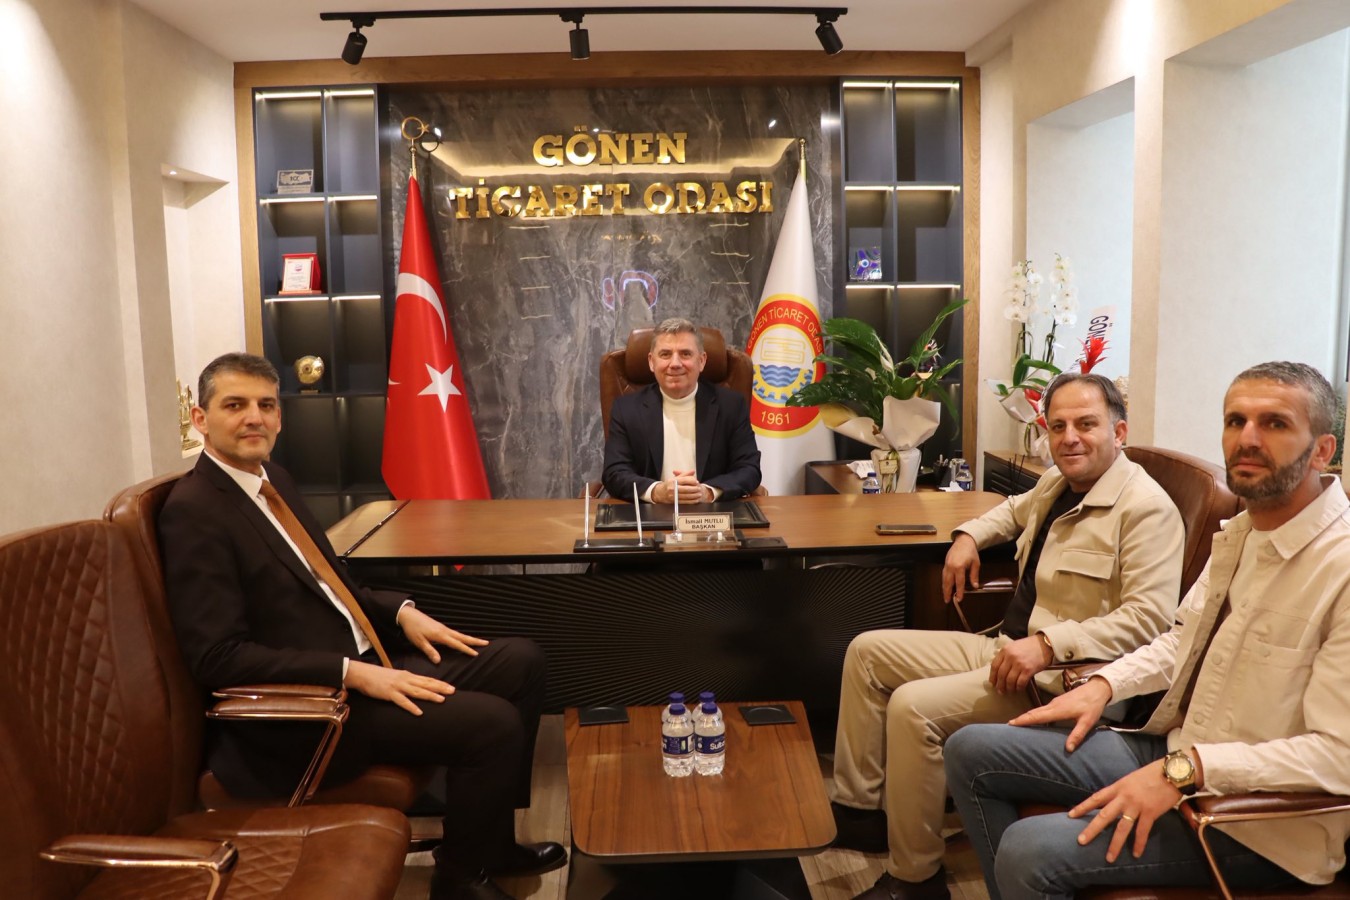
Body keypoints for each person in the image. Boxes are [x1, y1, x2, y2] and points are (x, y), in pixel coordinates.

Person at [159, 352, 561, 900]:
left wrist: (399, 612)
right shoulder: (195, 510)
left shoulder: (273, 480)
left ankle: (492, 842)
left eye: (266, 405)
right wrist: (353, 673)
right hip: (310, 711)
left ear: (279, 417)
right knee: (492, 724)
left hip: (365, 664)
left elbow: (330, 582)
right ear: (200, 419)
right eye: (235, 405)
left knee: (521, 661)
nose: (254, 417)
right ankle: (460, 877)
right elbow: (217, 657)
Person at [945, 361, 1350, 900]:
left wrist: (1186, 770)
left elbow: (1338, 756)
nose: (1247, 439)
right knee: (969, 749)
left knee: (1027, 848)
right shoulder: (1245, 533)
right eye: (1236, 421)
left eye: (1274, 423)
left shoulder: (1339, 567)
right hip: (1176, 751)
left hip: (1256, 823)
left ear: (1322, 450)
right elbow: (1182, 640)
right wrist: (1104, 684)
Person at [831, 373, 1185, 900]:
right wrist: (967, 536)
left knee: (912, 708)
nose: (1070, 438)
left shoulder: (1146, 509)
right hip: (1005, 646)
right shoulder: (1058, 481)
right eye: (1058, 426)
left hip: (1056, 679)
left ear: (1119, 432)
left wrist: (1049, 645)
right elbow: (1011, 510)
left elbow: (1149, 620)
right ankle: (861, 815)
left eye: (1086, 424)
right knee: (867, 652)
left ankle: (916, 879)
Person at [601, 317, 761, 502]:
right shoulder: (626, 409)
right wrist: (657, 492)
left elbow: (749, 468)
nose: (675, 363)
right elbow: (614, 472)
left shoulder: (731, 406)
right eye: (665, 354)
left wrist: (708, 492)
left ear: (701, 361)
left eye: (685, 354)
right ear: (651, 362)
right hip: (649, 513)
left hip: (713, 514)